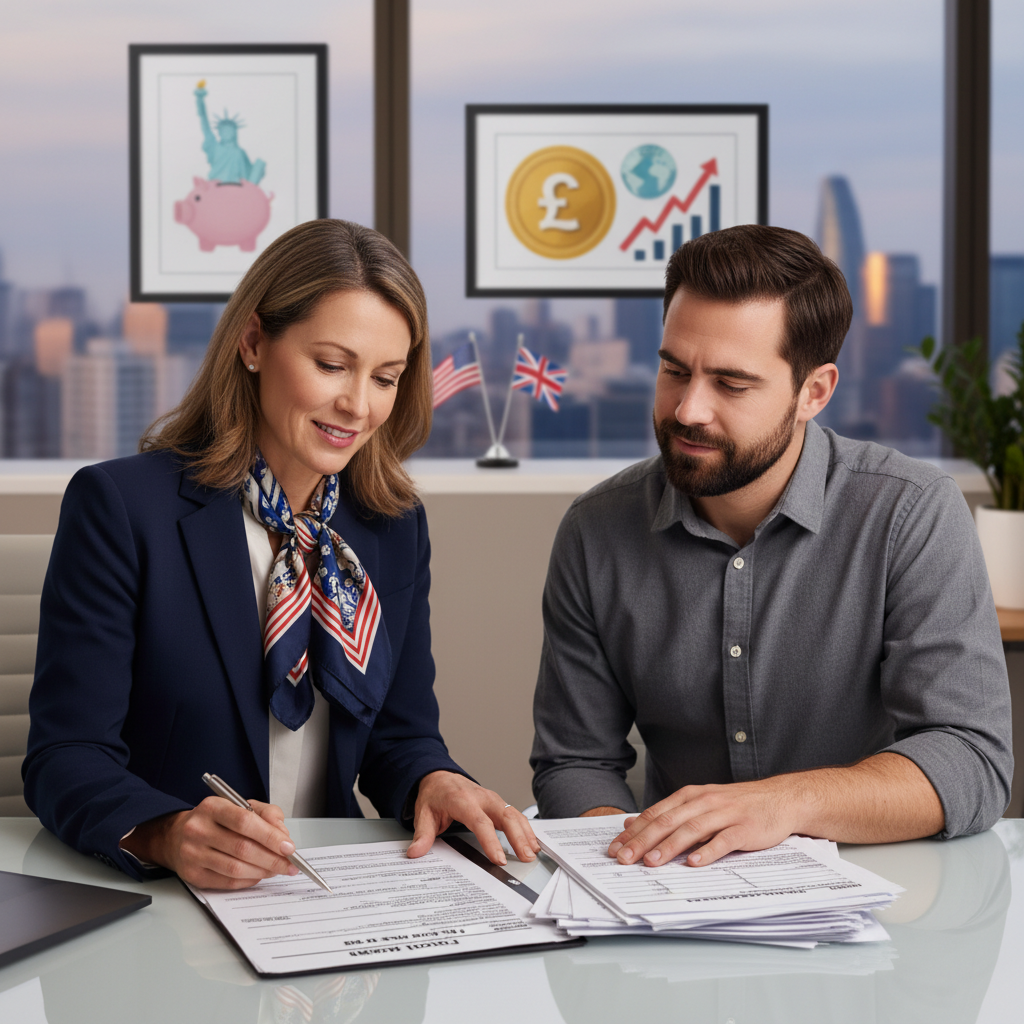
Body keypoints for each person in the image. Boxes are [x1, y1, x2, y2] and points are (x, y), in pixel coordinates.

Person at [24, 218, 538, 889]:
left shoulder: (390, 526)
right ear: (253, 343)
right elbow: (65, 756)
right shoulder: (122, 508)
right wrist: (167, 833)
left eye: (385, 377)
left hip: (325, 895)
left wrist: (434, 781)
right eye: (331, 365)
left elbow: (399, 738)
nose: (357, 405)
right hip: (167, 901)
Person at [531, 224, 1012, 869]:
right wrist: (633, 862)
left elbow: (970, 758)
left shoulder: (910, 511)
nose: (688, 410)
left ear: (814, 391)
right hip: (675, 896)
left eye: (731, 384)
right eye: (674, 370)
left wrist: (782, 804)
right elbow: (575, 761)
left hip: (881, 900)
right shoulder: (596, 530)